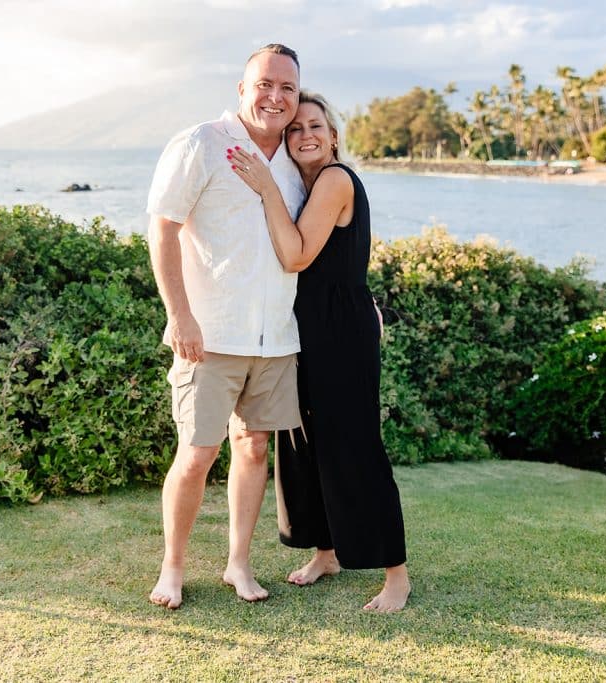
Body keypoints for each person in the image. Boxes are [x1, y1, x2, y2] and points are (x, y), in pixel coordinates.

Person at [227, 92, 411, 612]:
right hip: (304, 331)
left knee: (354, 447)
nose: (305, 133)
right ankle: (326, 552)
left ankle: (396, 576)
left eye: (316, 125)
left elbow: (297, 254)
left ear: (333, 137)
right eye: (295, 129)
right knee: (304, 446)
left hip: (341, 337)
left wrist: (263, 187)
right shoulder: (304, 186)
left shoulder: (334, 180)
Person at [144, 44, 306, 609]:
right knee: (196, 453)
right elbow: (162, 230)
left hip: (276, 339)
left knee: (255, 448)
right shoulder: (201, 143)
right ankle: (173, 568)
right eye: (265, 84)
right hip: (208, 336)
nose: (275, 97)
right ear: (242, 88)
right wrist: (179, 315)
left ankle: (239, 564)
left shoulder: (296, 159)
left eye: (287, 88)